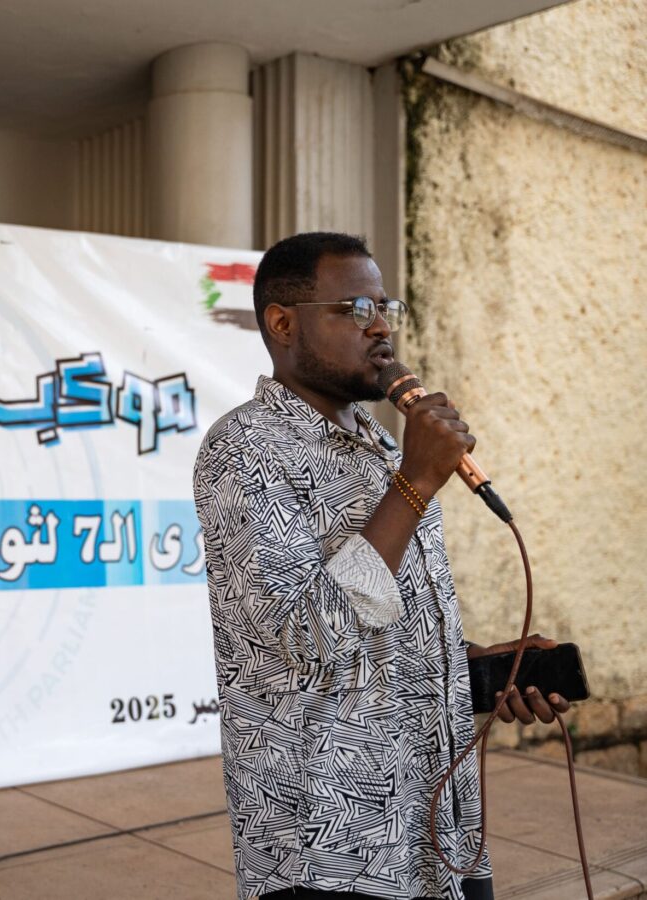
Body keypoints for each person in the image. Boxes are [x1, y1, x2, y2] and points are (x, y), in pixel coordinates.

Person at [192, 232, 570, 900]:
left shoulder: (380, 446)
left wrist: (480, 669)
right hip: (334, 850)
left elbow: (384, 624)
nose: (382, 327)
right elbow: (308, 639)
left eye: (385, 307)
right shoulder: (244, 450)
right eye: (356, 309)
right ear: (283, 323)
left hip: (439, 828)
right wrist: (415, 483)